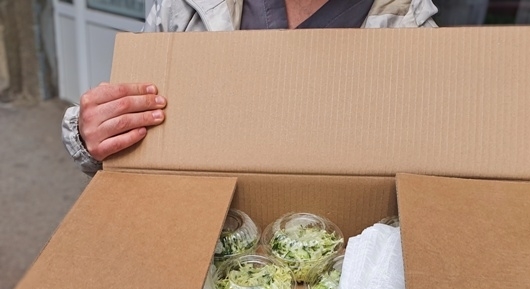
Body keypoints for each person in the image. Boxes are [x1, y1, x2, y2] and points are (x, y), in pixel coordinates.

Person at [62, 0, 438, 175]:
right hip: (190, 244)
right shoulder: (186, 8)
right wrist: (90, 133)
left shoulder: (412, 31)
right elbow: (130, 128)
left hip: (337, 270)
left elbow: (438, 185)